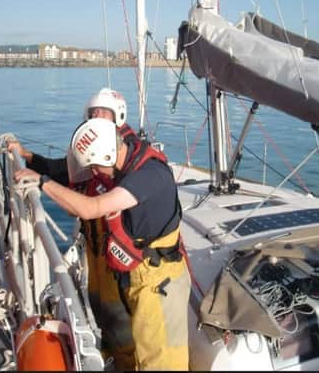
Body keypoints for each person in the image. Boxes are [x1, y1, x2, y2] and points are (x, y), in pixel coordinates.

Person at [15, 118, 190, 370]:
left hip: (160, 283)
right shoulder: (120, 165)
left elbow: (91, 208)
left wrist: (42, 183)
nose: (94, 173)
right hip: (136, 276)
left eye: (95, 166)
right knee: (127, 346)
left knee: (162, 362)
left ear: (108, 155)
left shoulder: (151, 175)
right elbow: (68, 176)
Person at [8, 88, 137, 370]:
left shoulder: (126, 155)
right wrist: (29, 158)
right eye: (93, 113)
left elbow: (98, 203)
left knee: (120, 314)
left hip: (118, 251)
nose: (97, 118)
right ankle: (109, 356)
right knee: (100, 307)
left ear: (119, 116)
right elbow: (64, 170)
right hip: (95, 248)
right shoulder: (90, 149)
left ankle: (128, 362)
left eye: (104, 113)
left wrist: (44, 182)